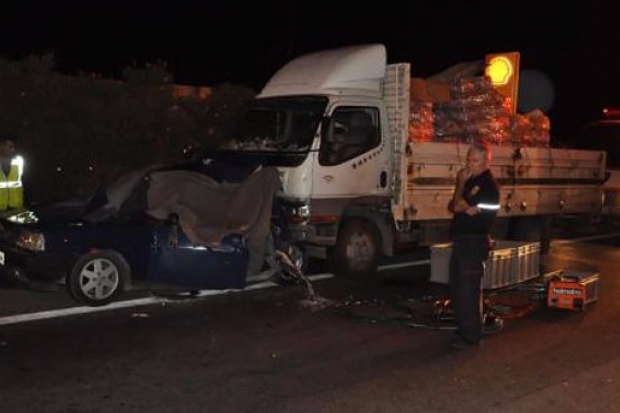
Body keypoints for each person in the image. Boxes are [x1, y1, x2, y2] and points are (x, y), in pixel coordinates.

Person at [448, 142, 500, 349]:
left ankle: (471, 336)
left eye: (475, 160)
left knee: (468, 290)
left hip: (473, 241)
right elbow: (454, 205)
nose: (470, 164)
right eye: (468, 160)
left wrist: (462, 192)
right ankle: (463, 328)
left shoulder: (487, 186)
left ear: (487, 162)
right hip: (462, 241)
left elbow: (464, 207)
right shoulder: (471, 181)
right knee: (458, 287)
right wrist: (460, 185)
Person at [0, 136, 24, 212]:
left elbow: (24, 181)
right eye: (10, 147)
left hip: (16, 207)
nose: (13, 149)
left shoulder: (19, 161)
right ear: (1, 146)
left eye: (13, 147)